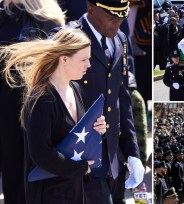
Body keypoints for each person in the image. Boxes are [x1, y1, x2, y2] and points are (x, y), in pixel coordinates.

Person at [1, 28, 106, 204]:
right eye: (84, 59)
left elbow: (78, 135)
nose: (89, 64)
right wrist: (80, 168)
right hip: (48, 193)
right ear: (64, 59)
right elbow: (41, 153)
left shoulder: (77, 89)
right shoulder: (42, 99)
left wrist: (97, 129)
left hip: (74, 189)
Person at [76, 1, 144, 203]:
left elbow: (121, 98)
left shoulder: (120, 39)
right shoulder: (70, 37)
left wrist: (133, 152)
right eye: (112, 17)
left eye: (122, 16)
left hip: (112, 156)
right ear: (90, 9)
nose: (118, 22)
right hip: (82, 152)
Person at [0, 0, 65, 203]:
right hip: (17, 110)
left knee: (23, 173)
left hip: (27, 108)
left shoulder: (45, 19)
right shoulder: (6, 15)